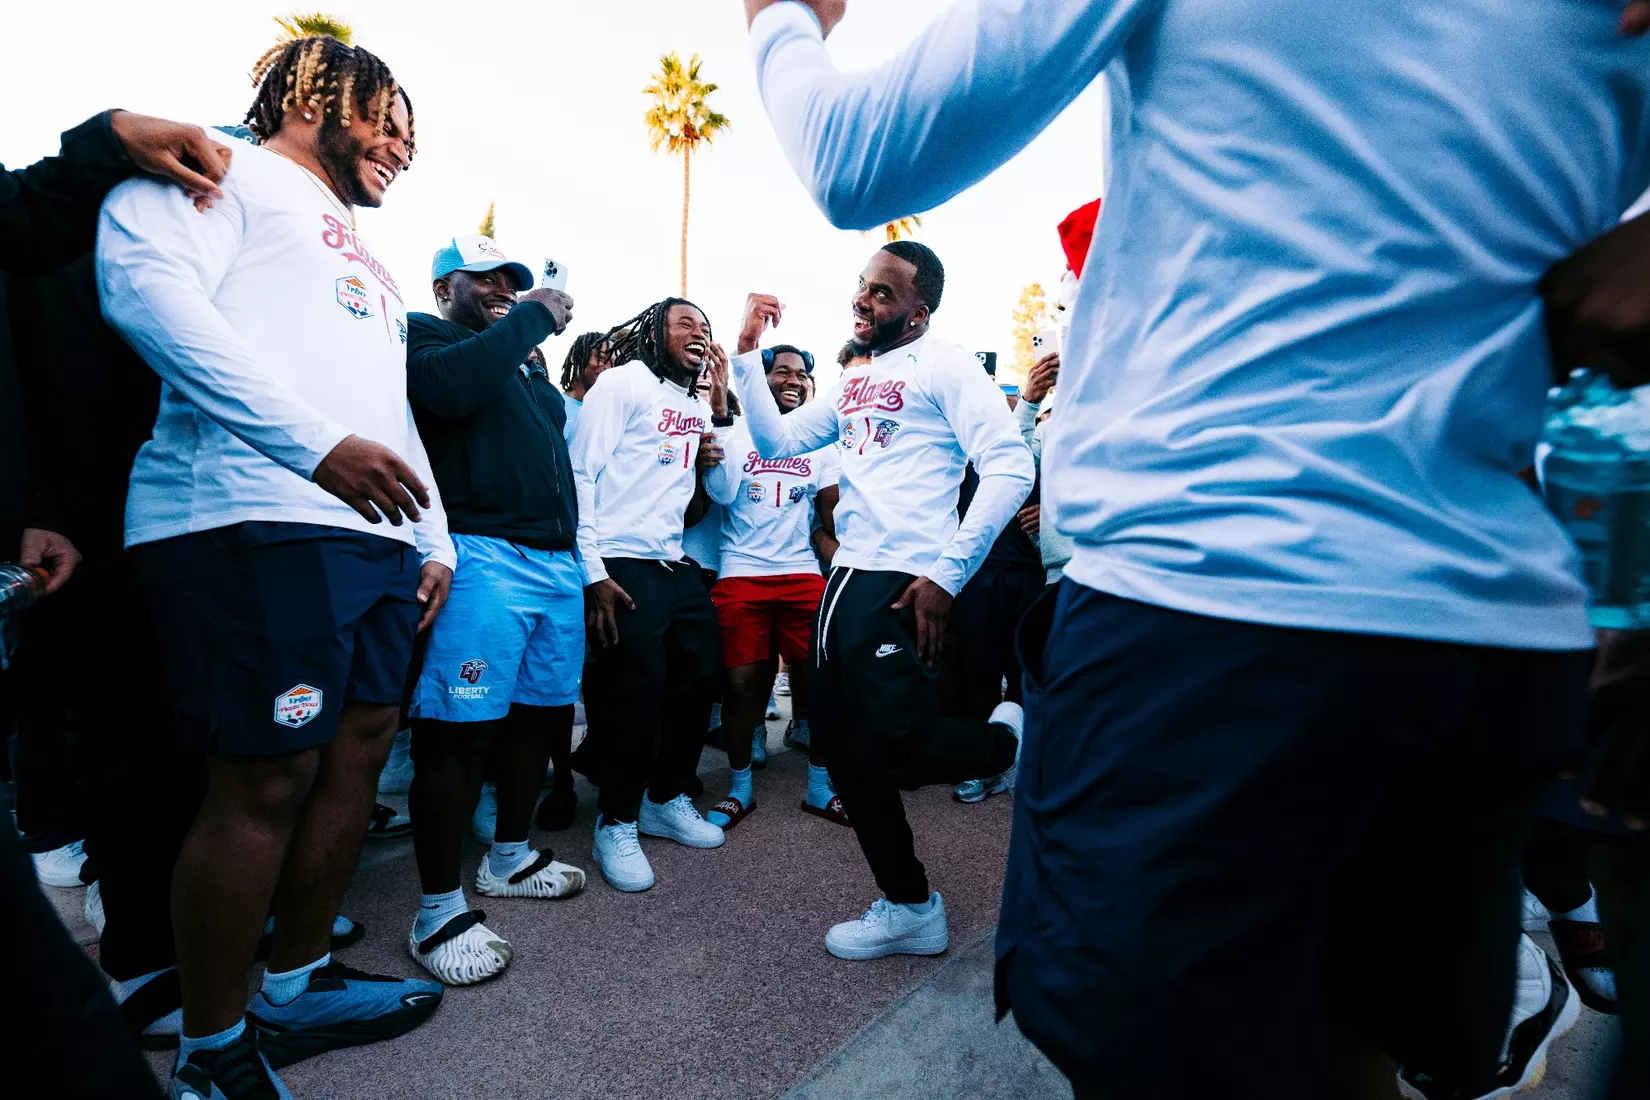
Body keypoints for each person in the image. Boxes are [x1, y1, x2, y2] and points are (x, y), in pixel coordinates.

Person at [743, 1, 1648, 1096]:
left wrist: (779, 17)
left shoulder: (945, 369)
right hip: (1472, 627)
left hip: (1215, 602)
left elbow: (856, 158)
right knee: (1348, 1056)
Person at [98, 36, 456, 1097]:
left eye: (408, 133)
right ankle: (213, 1051)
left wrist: (430, 534)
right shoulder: (220, 168)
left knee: (355, 757)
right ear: (316, 96)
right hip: (248, 516)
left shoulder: (367, 253)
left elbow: (383, 399)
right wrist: (312, 446)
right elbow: (144, 295)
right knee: (267, 774)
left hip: (374, 536)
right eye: (384, 118)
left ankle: (295, 985)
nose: (399, 144)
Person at [0, 106, 237, 1100]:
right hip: (82, 533)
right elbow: (38, 385)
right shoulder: (82, 235)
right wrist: (34, 512)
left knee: (183, 745)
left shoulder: (194, 259)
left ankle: (200, 927)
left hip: (168, 529)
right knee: (127, 747)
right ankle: (141, 961)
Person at [722, 241, 1033, 961]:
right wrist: (745, 353)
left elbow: (1012, 466)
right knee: (845, 753)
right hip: (843, 581)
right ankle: (910, 905)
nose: (864, 300)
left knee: (897, 748)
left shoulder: (947, 363)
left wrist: (948, 575)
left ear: (919, 311)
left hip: (902, 579)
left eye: (884, 294)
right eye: (863, 287)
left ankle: (1012, 739)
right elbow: (779, 440)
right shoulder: (859, 377)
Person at [401, 233, 585, 985]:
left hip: (554, 563)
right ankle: (437, 909)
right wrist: (533, 316)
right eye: (483, 277)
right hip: (481, 554)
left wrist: (525, 345)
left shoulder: (521, 364)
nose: (503, 287)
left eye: (511, 279)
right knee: (457, 734)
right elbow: (444, 392)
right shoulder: (424, 331)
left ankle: (508, 857)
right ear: (446, 285)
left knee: (538, 720)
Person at [570, 298, 732, 892]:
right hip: (619, 558)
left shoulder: (693, 402)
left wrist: (719, 412)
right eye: (686, 322)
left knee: (700, 677)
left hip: (672, 561)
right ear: (654, 331)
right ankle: (615, 820)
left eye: (705, 327)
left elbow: (722, 489)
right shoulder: (622, 383)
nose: (699, 333)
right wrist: (591, 570)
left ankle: (665, 797)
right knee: (634, 694)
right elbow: (580, 473)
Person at [701, 344, 847, 828]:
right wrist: (722, 418)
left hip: (801, 573)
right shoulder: (738, 432)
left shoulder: (819, 442)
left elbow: (832, 513)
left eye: (799, 373)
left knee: (823, 683)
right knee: (742, 687)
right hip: (741, 572)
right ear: (758, 381)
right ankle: (741, 789)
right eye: (779, 371)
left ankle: (820, 787)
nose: (790, 379)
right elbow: (720, 493)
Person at [948, 381, 1044, 804]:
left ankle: (1022, 760)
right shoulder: (961, 451)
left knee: (1027, 670)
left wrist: (1053, 510)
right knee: (978, 673)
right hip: (977, 576)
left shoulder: (1034, 446)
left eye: (1011, 404)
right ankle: (981, 764)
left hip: (1029, 576)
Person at [558, 331, 614, 442]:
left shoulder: (611, 415)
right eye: (602, 358)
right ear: (575, 356)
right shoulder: (552, 404)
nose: (608, 368)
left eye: (614, 364)